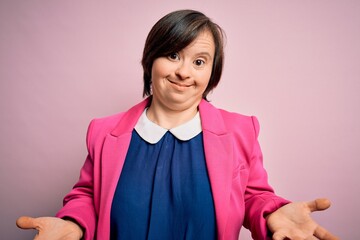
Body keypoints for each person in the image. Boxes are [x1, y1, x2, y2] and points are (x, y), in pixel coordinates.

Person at [16, 9, 339, 240]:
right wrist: (73, 223)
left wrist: (272, 214)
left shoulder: (241, 131)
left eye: (199, 61)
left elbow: (252, 196)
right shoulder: (104, 132)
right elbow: (88, 194)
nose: (184, 72)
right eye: (172, 55)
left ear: (211, 74)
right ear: (150, 61)